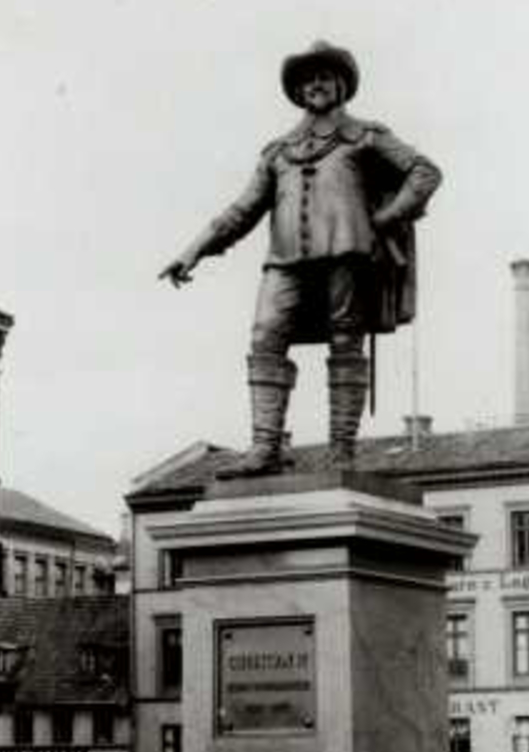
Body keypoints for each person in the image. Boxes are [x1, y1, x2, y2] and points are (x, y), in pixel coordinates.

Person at [160, 40, 442, 477]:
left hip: (348, 255)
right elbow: (242, 210)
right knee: (265, 335)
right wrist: (193, 250)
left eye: (325, 76)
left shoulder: (366, 135)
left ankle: (342, 452)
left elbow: (424, 173)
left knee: (345, 341)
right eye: (307, 79)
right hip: (286, 261)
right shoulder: (278, 152)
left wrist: (385, 217)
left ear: (342, 84)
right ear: (296, 90)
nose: (316, 85)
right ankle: (265, 448)